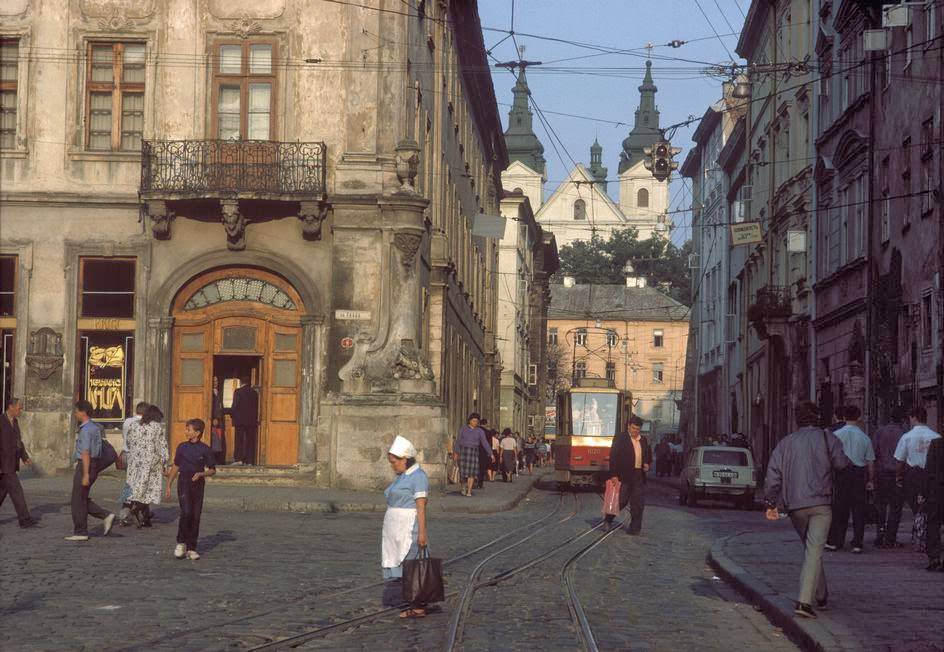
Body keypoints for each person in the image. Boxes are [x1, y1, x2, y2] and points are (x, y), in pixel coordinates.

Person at [764, 401, 850, 619]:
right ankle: (804, 602)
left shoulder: (786, 443)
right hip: (821, 503)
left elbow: (773, 475)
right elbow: (842, 464)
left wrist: (770, 501)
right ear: (817, 417)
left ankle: (821, 595)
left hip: (795, 506)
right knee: (814, 549)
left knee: (812, 547)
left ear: (797, 420)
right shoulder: (826, 437)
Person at [381, 435, 430, 619]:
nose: (393, 466)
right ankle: (412, 603)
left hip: (410, 526)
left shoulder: (418, 477)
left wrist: (422, 533)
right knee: (404, 566)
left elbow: (421, 506)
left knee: (412, 565)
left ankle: (417, 605)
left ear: (405, 459)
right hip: (395, 527)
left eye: (395, 462)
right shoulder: (402, 476)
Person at [894, 406, 941, 565]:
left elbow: (900, 460)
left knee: (918, 510)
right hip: (933, 477)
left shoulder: (907, 437)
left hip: (913, 475)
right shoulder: (936, 436)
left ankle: (922, 537)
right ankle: (929, 540)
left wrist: (898, 476)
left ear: (913, 417)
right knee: (932, 512)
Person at [825, 405, 875, 553]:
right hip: (859, 474)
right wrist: (871, 480)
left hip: (841, 474)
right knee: (859, 510)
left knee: (840, 509)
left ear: (844, 417)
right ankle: (857, 543)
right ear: (859, 418)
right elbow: (870, 461)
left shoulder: (836, 436)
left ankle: (836, 541)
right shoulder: (865, 437)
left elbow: (828, 458)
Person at [165, 418, 216, 560]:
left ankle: (192, 547)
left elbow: (212, 470)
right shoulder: (182, 447)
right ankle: (181, 542)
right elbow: (176, 466)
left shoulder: (205, 449)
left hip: (198, 483)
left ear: (197, 432)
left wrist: (201, 474)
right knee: (186, 512)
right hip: (184, 482)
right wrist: (169, 483)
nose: (186, 432)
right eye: (186, 429)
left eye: (189, 429)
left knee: (195, 515)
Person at [66, 400, 116, 541]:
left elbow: (86, 452)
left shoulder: (86, 430)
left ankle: (81, 531)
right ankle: (105, 516)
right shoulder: (96, 427)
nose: (75, 414)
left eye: (76, 412)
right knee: (80, 498)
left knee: (77, 499)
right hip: (94, 464)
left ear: (82, 412)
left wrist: (86, 474)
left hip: (85, 465)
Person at [607, 415, 652, 535]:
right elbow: (613, 457)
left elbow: (648, 454)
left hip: (638, 475)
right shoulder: (620, 438)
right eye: (633, 428)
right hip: (624, 475)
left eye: (637, 429)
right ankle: (608, 518)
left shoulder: (643, 440)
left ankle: (635, 529)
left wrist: (647, 463)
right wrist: (613, 475)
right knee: (621, 501)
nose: (635, 431)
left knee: (638, 504)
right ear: (628, 426)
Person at [126, 404, 170, 528]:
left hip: (135, 464)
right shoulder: (157, 428)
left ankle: (146, 519)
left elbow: (128, 442)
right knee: (149, 492)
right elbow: (162, 446)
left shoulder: (134, 425)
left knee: (138, 490)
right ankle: (135, 510)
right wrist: (165, 462)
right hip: (151, 464)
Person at [871, 407, 907, 547]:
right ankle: (890, 537)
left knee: (880, 505)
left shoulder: (880, 431)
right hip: (897, 474)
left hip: (881, 473)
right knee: (895, 507)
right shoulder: (904, 433)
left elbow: (873, 454)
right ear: (903, 419)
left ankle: (880, 532)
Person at [0, 397, 35, 528]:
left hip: (11, 463)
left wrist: (24, 457)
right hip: (4, 464)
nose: (20, 410)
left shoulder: (15, 422)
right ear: (11, 407)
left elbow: (18, 442)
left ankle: (24, 519)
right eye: (19, 407)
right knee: (17, 491)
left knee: (2, 490)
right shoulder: (1, 421)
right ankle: (25, 520)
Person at [117, 401, 148, 526]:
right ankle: (127, 512)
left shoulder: (127, 422)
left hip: (126, 456)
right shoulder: (146, 424)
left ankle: (144, 513)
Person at [453, 413, 492, 497]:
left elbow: (484, 442)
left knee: (471, 473)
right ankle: (463, 485)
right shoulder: (463, 429)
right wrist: (456, 452)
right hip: (464, 451)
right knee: (463, 472)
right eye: (473, 421)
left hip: (474, 452)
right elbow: (458, 441)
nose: (475, 423)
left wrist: (491, 453)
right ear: (469, 421)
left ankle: (469, 491)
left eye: (476, 421)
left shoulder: (480, 431)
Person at [924, 436, 944, 571]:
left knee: (933, 523)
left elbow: (928, 469)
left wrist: (924, 493)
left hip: (936, 491)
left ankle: (934, 558)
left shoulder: (936, 444)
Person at [231, 377, 258, 465]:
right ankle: (249, 461)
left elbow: (234, 406)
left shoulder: (238, 392)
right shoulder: (254, 393)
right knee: (250, 441)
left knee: (239, 440)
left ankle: (239, 459)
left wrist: (231, 414)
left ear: (241, 382)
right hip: (251, 421)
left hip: (240, 420)